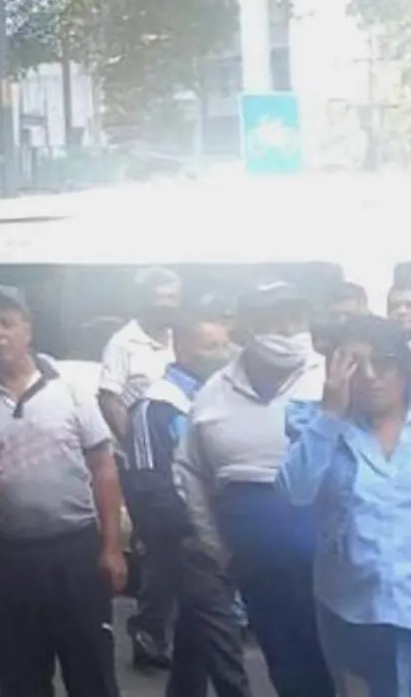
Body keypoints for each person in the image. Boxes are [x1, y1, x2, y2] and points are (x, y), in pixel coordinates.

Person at [0, 285, 126, 697]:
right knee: (19, 677)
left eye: (7, 322)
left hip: (74, 551)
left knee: (92, 672)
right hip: (3, 558)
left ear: (28, 328)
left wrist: (112, 546)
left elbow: (103, 466)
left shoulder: (71, 388)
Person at [175, 281, 333, 697]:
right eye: (271, 319)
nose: (285, 329)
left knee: (348, 672)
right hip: (262, 573)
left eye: (293, 319)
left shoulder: (333, 378)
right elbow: (191, 474)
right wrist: (221, 550)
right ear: (245, 326)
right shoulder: (213, 395)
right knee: (290, 672)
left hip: (339, 572)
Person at [120, 310, 252, 697]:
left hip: (224, 538)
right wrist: (191, 535)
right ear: (181, 345)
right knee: (224, 646)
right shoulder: (157, 405)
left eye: (224, 344)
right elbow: (147, 483)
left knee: (195, 638)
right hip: (190, 543)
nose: (221, 354)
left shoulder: (221, 398)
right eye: (209, 345)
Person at [278, 315, 411, 694]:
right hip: (351, 611)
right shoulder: (320, 426)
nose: (370, 375)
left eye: (382, 362)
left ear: (403, 366)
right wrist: (330, 415)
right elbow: (294, 493)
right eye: (354, 364)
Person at [97, 267, 183, 670]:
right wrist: (138, 443)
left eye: (173, 296)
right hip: (143, 465)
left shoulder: (181, 338)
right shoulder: (124, 342)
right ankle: (149, 630)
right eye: (160, 296)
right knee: (160, 545)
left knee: (186, 546)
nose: (166, 304)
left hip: (185, 460)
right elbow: (109, 396)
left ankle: (177, 628)